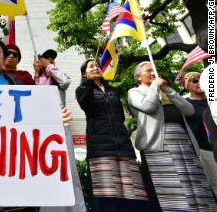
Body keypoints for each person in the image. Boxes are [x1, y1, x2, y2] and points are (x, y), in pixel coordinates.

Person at [128, 61, 217, 211]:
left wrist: (167, 90)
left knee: (193, 180)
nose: (153, 73)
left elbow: (189, 110)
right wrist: (155, 86)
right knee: (174, 183)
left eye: (154, 70)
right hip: (159, 143)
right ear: (138, 77)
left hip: (182, 138)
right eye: (148, 71)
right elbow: (148, 106)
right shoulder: (135, 92)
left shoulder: (165, 90)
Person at [75, 59, 149, 212]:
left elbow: (120, 116)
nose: (95, 68)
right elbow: (87, 106)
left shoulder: (111, 90)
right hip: (101, 148)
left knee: (132, 192)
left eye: (97, 66)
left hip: (123, 146)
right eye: (91, 67)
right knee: (107, 195)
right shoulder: (82, 90)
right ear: (84, 73)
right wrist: (89, 84)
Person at [183, 72, 217, 196]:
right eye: (195, 81)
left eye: (200, 80)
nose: (199, 83)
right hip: (204, 148)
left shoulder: (213, 99)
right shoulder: (185, 103)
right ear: (187, 85)